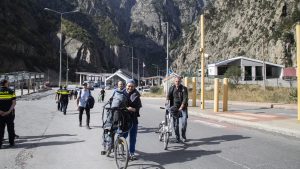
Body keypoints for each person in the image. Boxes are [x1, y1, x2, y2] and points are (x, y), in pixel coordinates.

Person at [123, 79, 142, 160]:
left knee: (133, 138)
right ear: (126, 86)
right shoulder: (122, 93)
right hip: (123, 118)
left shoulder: (137, 95)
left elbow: (138, 106)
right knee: (123, 135)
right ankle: (120, 146)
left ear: (134, 87)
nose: (130, 88)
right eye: (128, 86)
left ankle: (132, 153)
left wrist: (134, 109)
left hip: (133, 118)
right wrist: (126, 108)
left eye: (132, 86)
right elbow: (118, 104)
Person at [166, 76, 188, 143]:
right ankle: (177, 137)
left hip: (183, 108)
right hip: (174, 108)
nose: (177, 82)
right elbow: (168, 97)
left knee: (184, 123)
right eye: (176, 81)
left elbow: (185, 99)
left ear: (180, 81)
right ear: (174, 82)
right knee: (176, 124)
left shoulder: (184, 89)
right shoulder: (171, 88)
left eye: (178, 81)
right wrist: (167, 101)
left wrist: (181, 107)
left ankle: (183, 135)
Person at [0, 79, 17, 149]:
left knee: (0, 128)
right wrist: (8, 111)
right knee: (10, 128)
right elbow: (14, 103)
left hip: (0, 114)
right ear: (6, 83)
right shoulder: (11, 91)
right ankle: (11, 142)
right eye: (8, 83)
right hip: (10, 113)